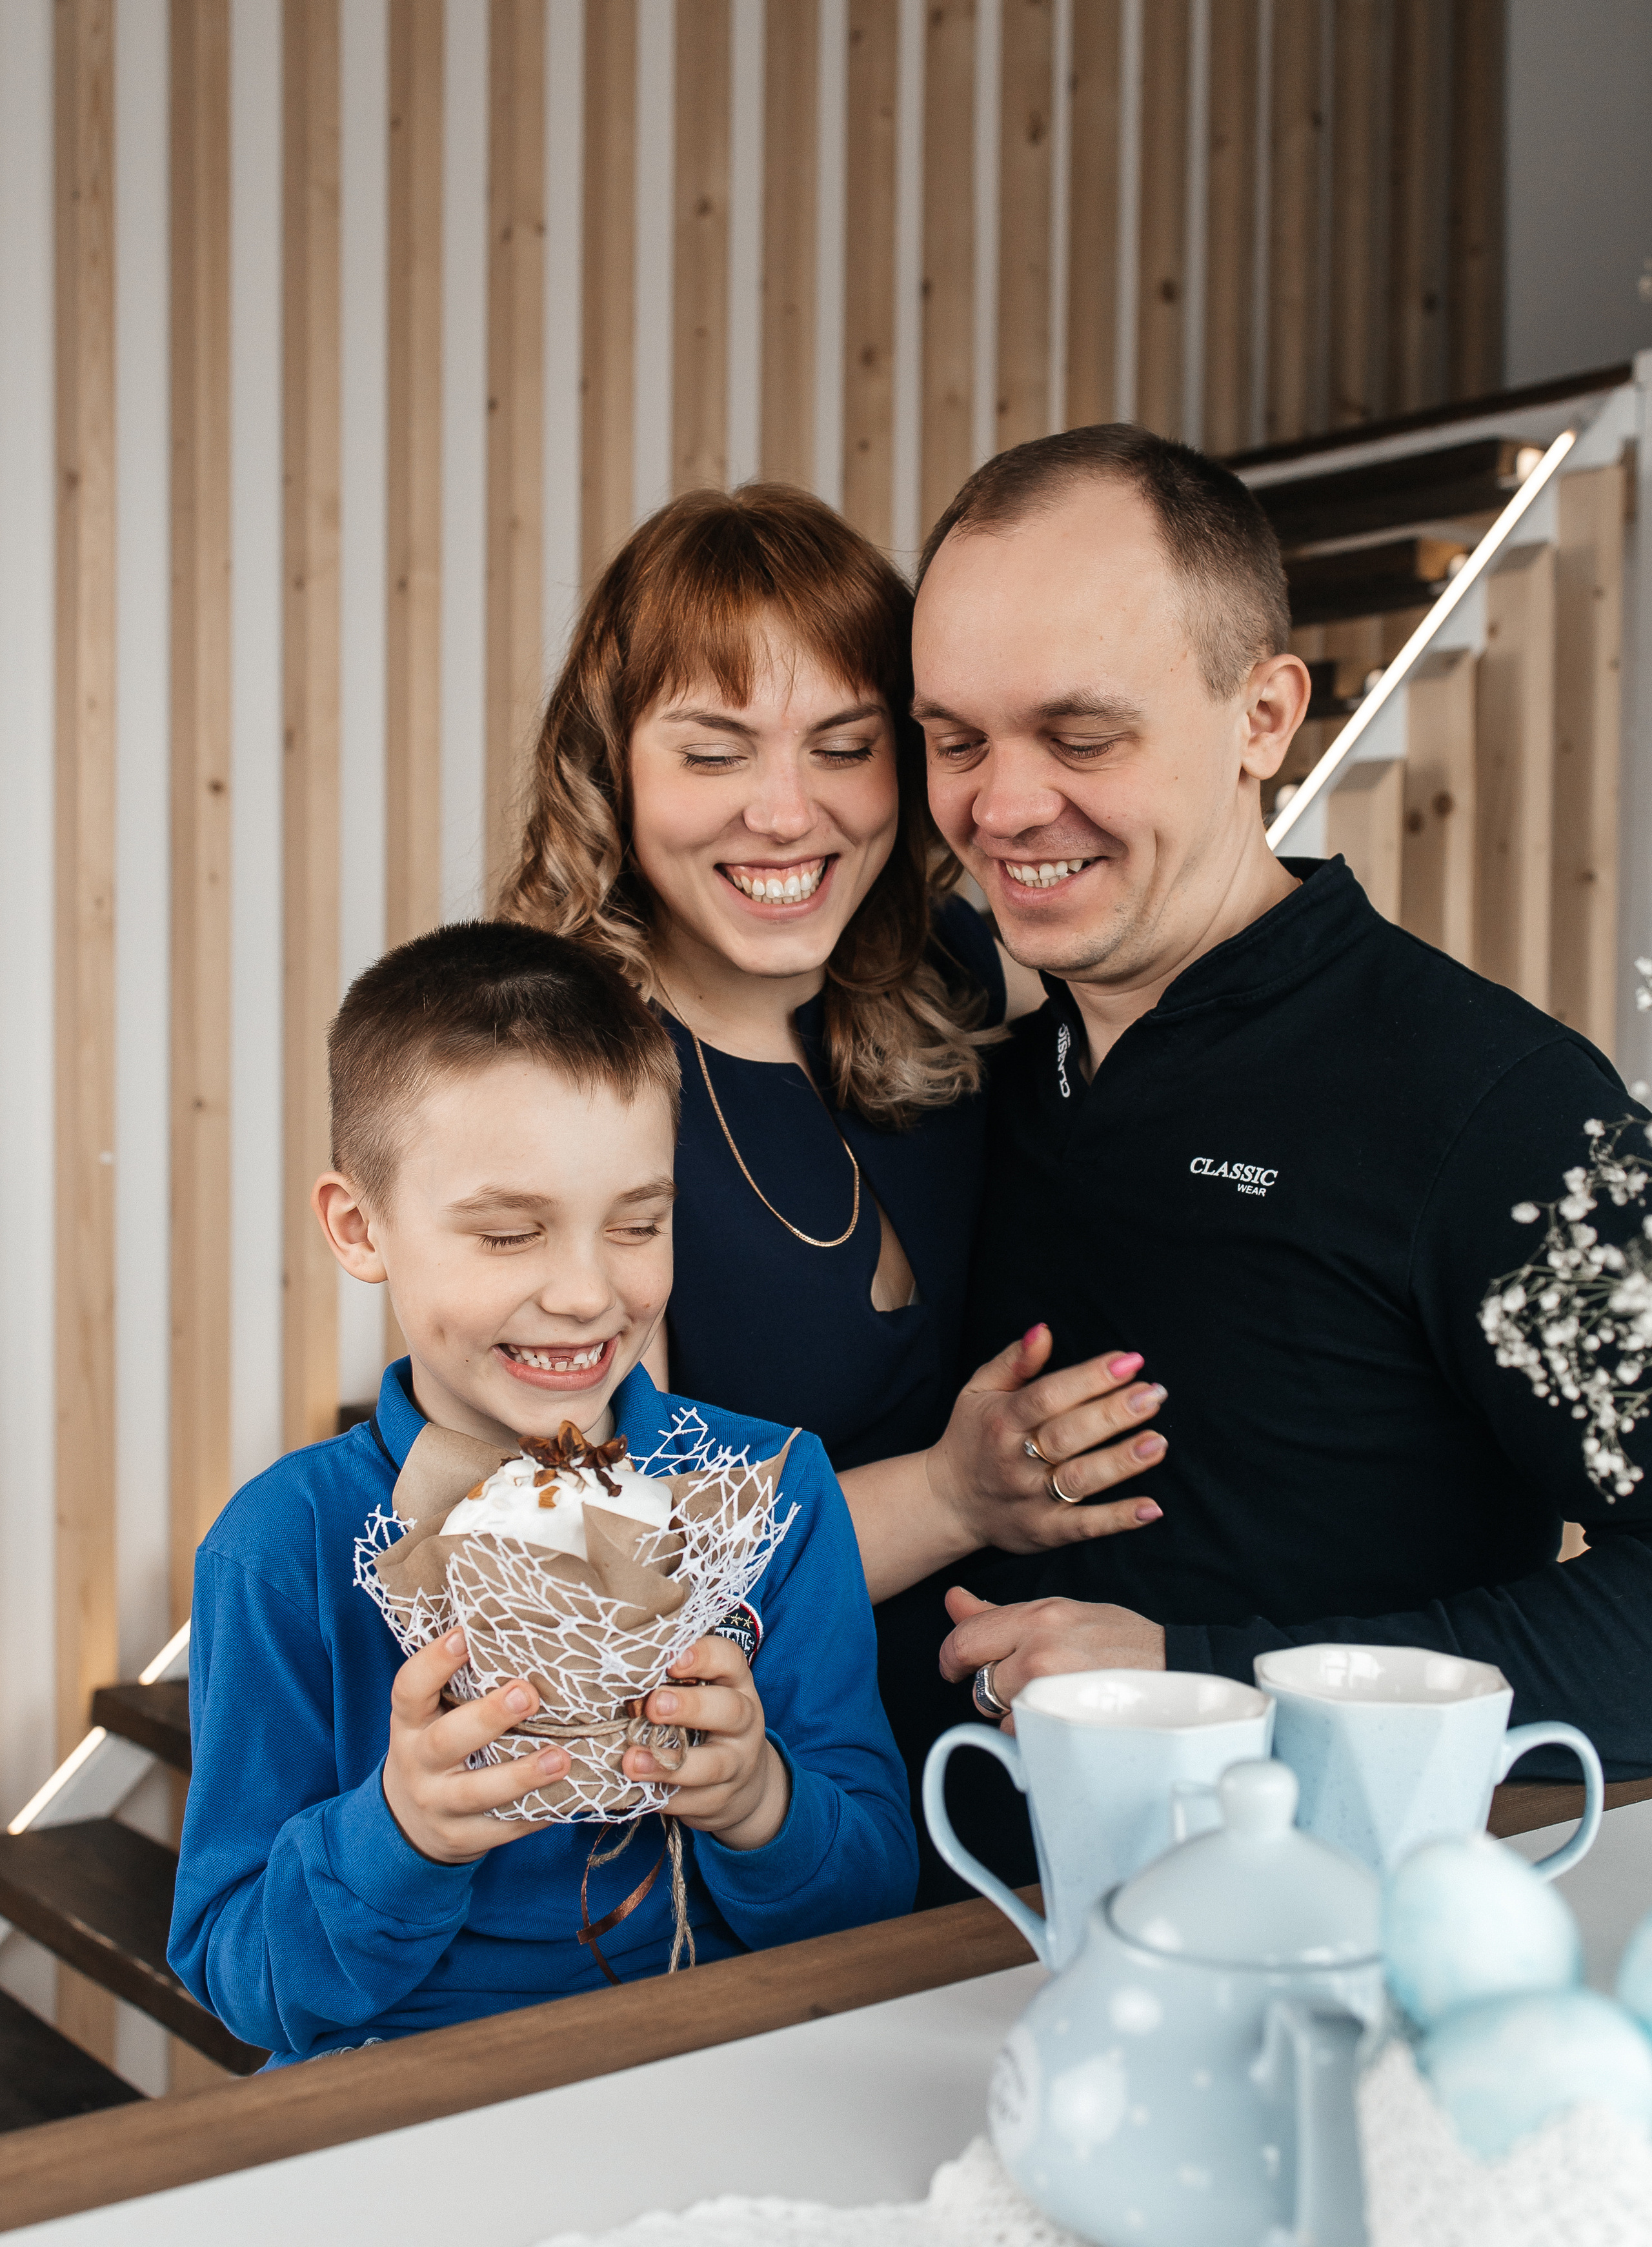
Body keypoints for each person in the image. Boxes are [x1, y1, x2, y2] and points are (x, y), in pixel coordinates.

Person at [900, 421, 1652, 1889]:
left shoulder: (1503, 1110)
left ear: (1263, 716)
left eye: (1080, 733)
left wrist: (1215, 1679)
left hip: (1305, 1977)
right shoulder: (968, 1069)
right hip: (908, 1962)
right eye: (953, 738)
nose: (999, 805)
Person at [499, 485, 1174, 1879]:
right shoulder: (556, 1095)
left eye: (845, 746)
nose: (784, 812)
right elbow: (595, 1583)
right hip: (724, 1823)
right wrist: (947, 1495)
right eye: (712, 752)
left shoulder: (940, 976)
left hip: (975, 1782)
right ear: (612, 770)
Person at [168, 922, 918, 2061]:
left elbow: (872, 1899)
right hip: (410, 2104)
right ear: (361, 1228)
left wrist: (759, 1800)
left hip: (721, 2062)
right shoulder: (281, 1547)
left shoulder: (772, 1502)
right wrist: (401, 1829)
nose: (585, 1291)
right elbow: (242, 1979)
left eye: (639, 1223)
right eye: (511, 1232)